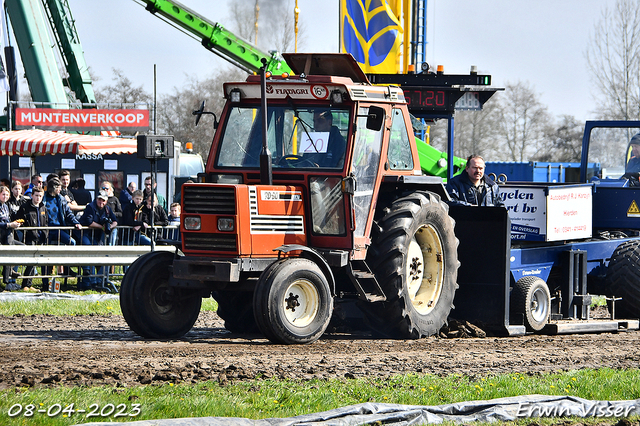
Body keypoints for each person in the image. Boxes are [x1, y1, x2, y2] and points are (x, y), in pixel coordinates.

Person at [78, 191, 118, 290]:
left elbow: (115, 221)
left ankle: (98, 281)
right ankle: (91, 282)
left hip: (97, 237)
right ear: (96, 199)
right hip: (85, 234)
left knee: (99, 255)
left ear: (106, 201)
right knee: (90, 254)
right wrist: (102, 227)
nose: (101, 202)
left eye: (103, 200)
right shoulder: (90, 207)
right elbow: (89, 222)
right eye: (99, 199)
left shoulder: (108, 209)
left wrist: (110, 227)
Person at [15, 186, 48, 292]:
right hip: (29, 238)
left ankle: (29, 284)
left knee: (35, 262)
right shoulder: (25, 207)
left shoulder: (43, 208)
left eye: (40, 196)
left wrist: (45, 234)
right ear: (32, 195)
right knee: (31, 262)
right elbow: (19, 220)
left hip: (41, 238)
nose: (38, 198)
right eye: (36, 195)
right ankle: (25, 284)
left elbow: (46, 222)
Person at [0, 185, 24, 291]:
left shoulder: (6, 206)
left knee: (23, 248)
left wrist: (16, 224)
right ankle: (6, 280)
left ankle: (11, 269)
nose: (5, 196)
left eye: (7, 194)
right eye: (3, 194)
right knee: (8, 251)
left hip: (7, 235)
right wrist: (9, 225)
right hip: (1, 236)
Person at [100, 181, 123, 245]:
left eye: (107, 188)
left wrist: (112, 214)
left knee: (111, 244)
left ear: (110, 189)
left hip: (113, 225)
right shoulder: (98, 199)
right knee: (101, 244)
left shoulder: (114, 199)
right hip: (101, 226)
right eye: (103, 188)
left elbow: (120, 213)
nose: (105, 190)